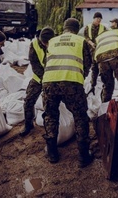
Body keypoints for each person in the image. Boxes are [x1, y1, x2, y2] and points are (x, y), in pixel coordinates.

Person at [42, 18, 93, 166]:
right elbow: (87, 62)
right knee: (80, 116)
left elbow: (47, 62)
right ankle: (83, 156)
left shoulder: (52, 41)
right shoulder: (80, 40)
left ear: (64, 28)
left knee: (51, 115)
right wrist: (79, 76)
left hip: (49, 81)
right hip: (71, 82)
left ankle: (52, 154)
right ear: (76, 29)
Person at [19, 27, 55, 137]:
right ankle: (28, 124)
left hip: (54, 78)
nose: (46, 44)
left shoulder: (57, 43)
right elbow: (34, 64)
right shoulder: (34, 44)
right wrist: (44, 78)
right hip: (38, 78)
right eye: (44, 42)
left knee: (52, 104)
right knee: (29, 101)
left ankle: (53, 130)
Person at [94, 18, 118, 102]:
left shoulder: (99, 37)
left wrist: (93, 80)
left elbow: (94, 54)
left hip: (102, 60)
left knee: (107, 85)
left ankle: (105, 106)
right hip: (117, 56)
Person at [83, 12, 108, 92]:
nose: (99, 21)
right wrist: (91, 43)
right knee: (91, 67)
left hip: (99, 50)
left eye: (100, 20)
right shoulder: (88, 27)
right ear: (94, 19)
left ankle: (99, 84)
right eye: (97, 19)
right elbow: (86, 37)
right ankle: (91, 84)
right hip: (90, 50)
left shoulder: (103, 28)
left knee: (99, 67)